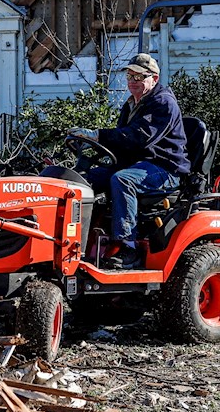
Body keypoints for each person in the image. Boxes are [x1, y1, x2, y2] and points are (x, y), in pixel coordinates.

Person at [69, 53, 190, 269]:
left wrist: (98, 135)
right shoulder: (132, 103)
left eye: (139, 77)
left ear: (154, 78)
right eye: (130, 76)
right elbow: (122, 140)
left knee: (122, 180)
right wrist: (90, 144)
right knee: (81, 180)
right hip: (139, 164)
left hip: (164, 168)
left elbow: (138, 137)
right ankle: (79, 241)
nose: (133, 81)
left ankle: (128, 247)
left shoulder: (163, 103)